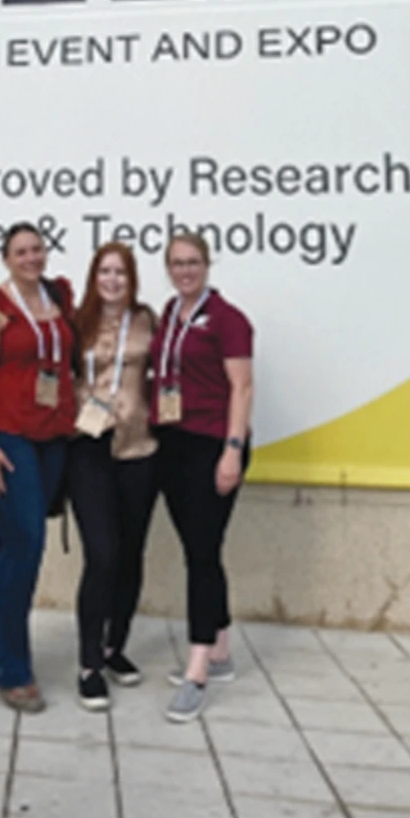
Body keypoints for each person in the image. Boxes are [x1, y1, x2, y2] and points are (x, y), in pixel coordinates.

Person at [0, 221, 76, 712]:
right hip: (6, 438)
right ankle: (10, 669)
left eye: (37, 249)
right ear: (6, 259)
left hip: (51, 437)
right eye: (20, 251)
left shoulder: (59, 295)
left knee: (13, 542)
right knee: (25, 542)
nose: (31, 257)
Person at [152, 232, 254, 724]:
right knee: (202, 547)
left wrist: (232, 451)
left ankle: (196, 670)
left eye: (193, 262)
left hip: (214, 444)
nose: (185, 270)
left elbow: (243, 386)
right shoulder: (168, 314)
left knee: (201, 554)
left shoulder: (229, 320)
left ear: (208, 265)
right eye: (177, 263)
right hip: (173, 443)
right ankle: (221, 650)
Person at [66, 242, 159, 711]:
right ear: (93, 276)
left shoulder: (148, 320)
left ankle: (113, 647)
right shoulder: (75, 321)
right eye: (105, 271)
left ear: (132, 278)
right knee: (101, 554)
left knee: (130, 554)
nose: (113, 280)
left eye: (121, 272)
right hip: (89, 446)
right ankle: (87, 662)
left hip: (139, 448)